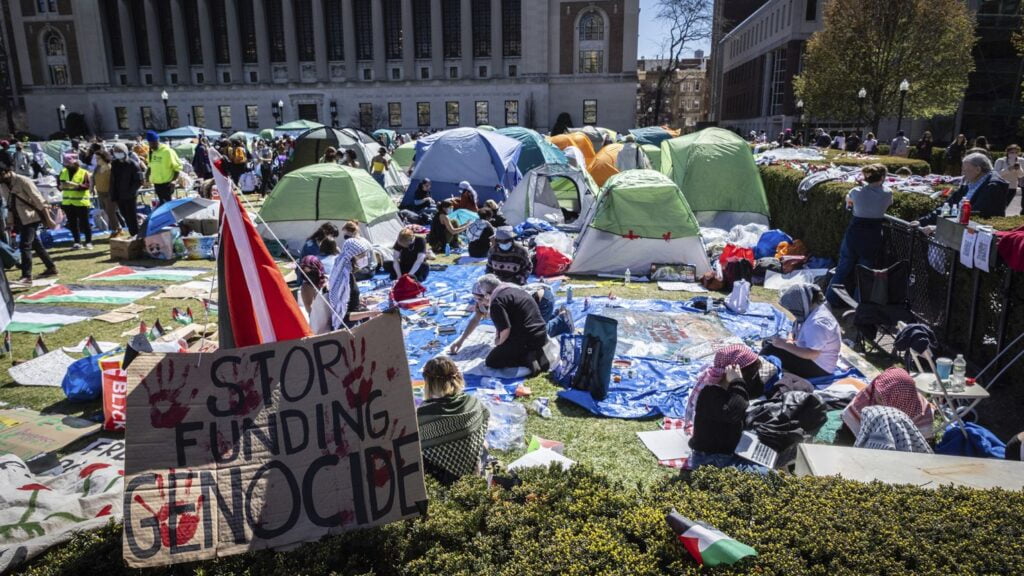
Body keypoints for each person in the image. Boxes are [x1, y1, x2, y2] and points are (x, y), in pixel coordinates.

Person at [685, 345, 769, 474]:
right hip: (711, 460)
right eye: (752, 373)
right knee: (768, 475)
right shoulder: (710, 393)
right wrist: (737, 381)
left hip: (727, 452)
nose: (753, 377)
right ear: (733, 372)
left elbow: (757, 390)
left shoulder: (730, 388)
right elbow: (734, 412)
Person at [449, 274, 552, 375]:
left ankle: (527, 358)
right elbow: (477, 319)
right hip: (541, 334)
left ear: (487, 294)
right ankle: (536, 353)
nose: (479, 303)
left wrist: (498, 342)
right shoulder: (510, 290)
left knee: (492, 361)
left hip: (533, 325)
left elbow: (505, 330)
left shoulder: (497, 301)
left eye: (480, 299)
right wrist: (460, 341)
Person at [826, 164, 892, 307]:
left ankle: (828, 300)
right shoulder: (887, 193)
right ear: (882, 178)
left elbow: (849, 201)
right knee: (864, 274)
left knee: (842, 269)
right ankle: (858, 307)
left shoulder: (856, 191)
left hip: (854, 233)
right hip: (873, 235)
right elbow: (886, 203)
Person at [416, 356, 490, 485]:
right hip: (475, 467)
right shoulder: (471, 402)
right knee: (484, 443)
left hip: (448, 480)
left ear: (428, 382)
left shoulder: (423, 414)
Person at [835, 367, 934, 447]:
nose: (875, 399)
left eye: (881, 398)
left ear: (897, 401)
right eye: (876, 393)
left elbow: (920, 447)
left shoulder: (921, 412)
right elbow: (846, 434)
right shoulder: (868, 396)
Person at [761, 283, 841, 379]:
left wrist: (785, 345)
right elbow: (795, 328)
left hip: (820, 367)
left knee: (770, 349)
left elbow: (813, 354)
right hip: (810, 356)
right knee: (769, 342)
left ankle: (757, 374)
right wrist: (789, 341)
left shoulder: (817, 323)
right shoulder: (812, 310)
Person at [0, 163, 57, 284]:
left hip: (31, 217)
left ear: (6, 172)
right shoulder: (3, 185)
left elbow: (39, 201)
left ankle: (26, 276)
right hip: (19, 218)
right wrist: (10, 222)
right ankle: (51, 267)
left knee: (25, 245)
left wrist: (49, 219)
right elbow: (9, 205)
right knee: (36, 244)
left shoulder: (23, 181)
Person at [917, 153, 1009, 226]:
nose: (962, 173)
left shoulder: (993, 186)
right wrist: (921, 222)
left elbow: (977, 215)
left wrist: (937, 228)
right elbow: (948, 206)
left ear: (978, 169)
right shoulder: (972, 181)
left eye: (965, 170)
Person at [326, 236, 383, 330]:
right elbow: (343, 317)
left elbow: (349, 299)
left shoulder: (347, 272)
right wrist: (369, 313)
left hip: (356, 317)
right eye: (361, 256)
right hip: (349, 328)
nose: (365, 258)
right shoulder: (343, 279)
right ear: (351, 256)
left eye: (365, 255)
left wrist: (359, 300)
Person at [58, 153, 92, 250]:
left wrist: (75, 185)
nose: (67, 166)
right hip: (68, 202)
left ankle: (88, 242)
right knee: (72, 223)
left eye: (69, 164)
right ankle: (77, 242)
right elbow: (59, 184)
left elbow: (87, 186)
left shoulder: (83, 172)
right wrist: (60, 187)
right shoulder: (63, 172)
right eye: (65, 164)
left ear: (75, 163)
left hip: (81, 202)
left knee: (85, 223)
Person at [109, 143, 142, 237]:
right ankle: (133, 233)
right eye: (116, 151)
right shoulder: (114, 164)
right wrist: (113, 194)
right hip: (119, 195)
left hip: (130, 196)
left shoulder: (133, 164)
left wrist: (130, 192)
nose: (117, 153)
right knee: (125, 215)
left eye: (119, 151)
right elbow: (113, 180)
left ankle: (136, 234)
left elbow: (139, 181)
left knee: (131, 216)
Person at [146, 130, 181, 205]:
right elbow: (150, 166)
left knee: (167, 204)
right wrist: (146, 177)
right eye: (150, 144)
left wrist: (174, 181)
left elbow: (177, 168)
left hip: (167, 184)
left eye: (153, 143)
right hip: (157, 184)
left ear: (158, 140)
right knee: (162, 204)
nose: (152, 146)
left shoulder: (167, 151)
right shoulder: (151, 152)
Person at [92, 150, 119, 236]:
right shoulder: (97, 168)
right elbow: (92, 178)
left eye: (98, 158)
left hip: (110, 193)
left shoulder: (111, 168)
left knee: (110, 212)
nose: (96, 160)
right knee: (107, 212)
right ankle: (117, 228)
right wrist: (91, 187)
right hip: (100, 193)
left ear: (104, 158)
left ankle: (116, 229)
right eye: (96, 158)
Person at [994, 144, 1023, 215]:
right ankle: (997, 218)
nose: (1014, 154)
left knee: (1005, 205)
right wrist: (1008, 169)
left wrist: (1018, 168)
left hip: (1012, 186)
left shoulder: (1021, 160)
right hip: (1000, 186)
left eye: (1016, 152)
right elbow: (996, 174)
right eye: (1012, 152)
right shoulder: (1001, 161)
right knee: (999, 205)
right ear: (1007, 152)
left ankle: (999, 219)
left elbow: (1021, 175)